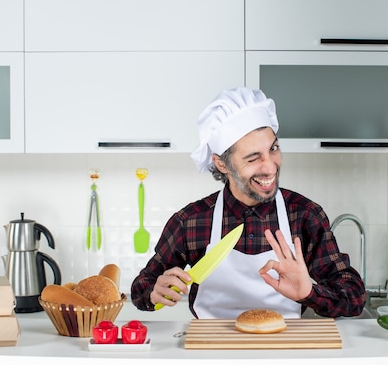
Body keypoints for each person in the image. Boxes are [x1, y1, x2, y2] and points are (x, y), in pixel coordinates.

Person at [131, 87, 367, 319]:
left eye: (273, 148)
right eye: (254, 158)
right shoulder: (190, 221)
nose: (270, 166)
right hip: (212, 352)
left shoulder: (304, 215)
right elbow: (141, 287)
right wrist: (154, 292)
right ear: (222, 164)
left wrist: (309, 293)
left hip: (284, 350)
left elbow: (354, 298)